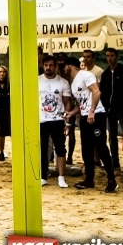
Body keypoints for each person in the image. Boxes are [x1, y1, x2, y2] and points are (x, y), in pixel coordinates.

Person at [65, 57, 118, 193]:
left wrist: (92, 111)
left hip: (97, 115)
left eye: (64, 66)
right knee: (86, 149)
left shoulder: (85, 75)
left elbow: (96, 92)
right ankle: (89, 179)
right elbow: (81, 103)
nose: (63, 68)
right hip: (84, 116)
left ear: (70, 65)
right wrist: (72, 113)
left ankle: (112, 179)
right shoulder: (73, 82)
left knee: (100, 147)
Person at [39, 55, 72, 188]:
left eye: (51, 65)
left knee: (60, 148)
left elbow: (67, 103)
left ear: (56, 66)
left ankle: (61, 177)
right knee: (42, 148)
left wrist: (68, 122)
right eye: (46, 65)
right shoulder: (37, 81)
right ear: (43, 66)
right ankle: (43, 176)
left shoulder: (63, 82)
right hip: (42, 120)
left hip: (58, 119)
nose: (48, 68)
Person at [100, 47, 123, 171]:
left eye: (112, 55)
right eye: (108, 56)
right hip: (110, 110)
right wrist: (106, 106)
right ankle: (115, 162)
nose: (110, 58)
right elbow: (103, 92)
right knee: (112, 136)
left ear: (117, 56)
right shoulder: (105, 74)